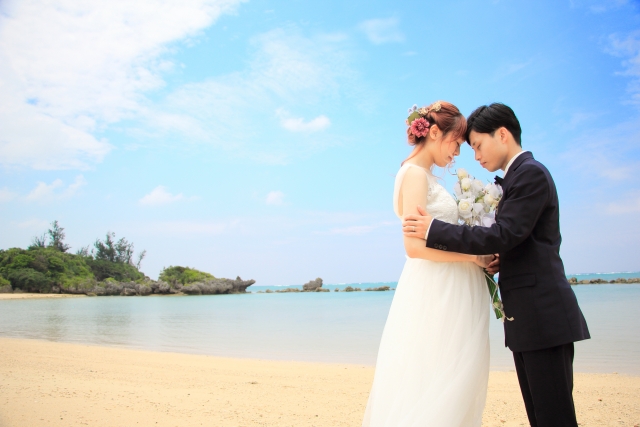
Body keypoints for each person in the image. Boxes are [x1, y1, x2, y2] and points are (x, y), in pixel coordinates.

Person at [402, 103, 590, 427]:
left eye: (477, 145)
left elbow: (504, 234)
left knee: (554, 418)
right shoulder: (517, 177)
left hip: (544, 318)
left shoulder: (530, 174)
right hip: (528, 322)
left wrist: (434, 229)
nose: (475, 156)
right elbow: (521, 238)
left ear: (502, 134)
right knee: (542, 418)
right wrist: (505, 259)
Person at [362, 101, 494, 427]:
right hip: (438, 290)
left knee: (448, 381)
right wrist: (473, 256)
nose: (457, 153)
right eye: (456, 143)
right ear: (434, 133)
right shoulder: (414, 175)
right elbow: (413, 247)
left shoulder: (423, 175)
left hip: (447, 287)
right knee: (438, 381)